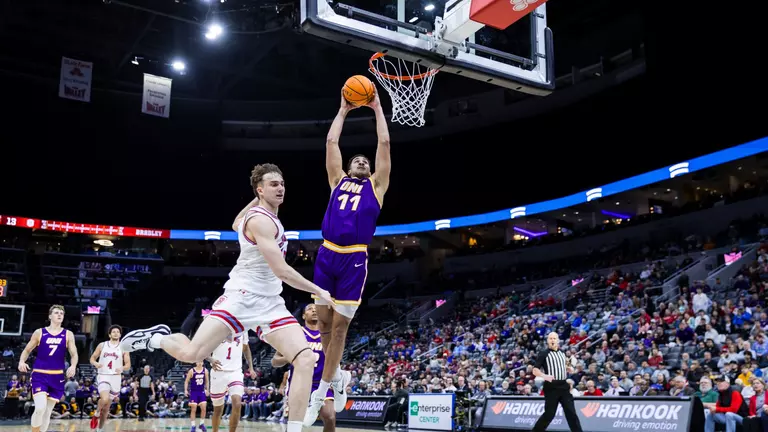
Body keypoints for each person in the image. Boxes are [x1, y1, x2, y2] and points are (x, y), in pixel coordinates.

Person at [120, 163, 335, 432]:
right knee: (191, 353)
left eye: (281, 183)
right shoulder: (259, 220)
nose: (280, 188)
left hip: (270, 303)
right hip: (241, 298)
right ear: (260, 190)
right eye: (273, 184)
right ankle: (157, 338)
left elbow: (235, 223)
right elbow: (281, 270)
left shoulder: (259, 216)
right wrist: (318, 290)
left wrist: (258, 196)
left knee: (305, 358)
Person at [305, 86, 392, 425]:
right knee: (324, 328)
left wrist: (376, 108)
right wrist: (342, 110)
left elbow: (383, 145)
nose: (361, 160)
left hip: (354, 258)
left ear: (371, 171)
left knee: (339, 331)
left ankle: (322, 390)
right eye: (357, 159)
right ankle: (339, 376)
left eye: (365, 161)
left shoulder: (377, 187)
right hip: (327, 254)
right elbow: (330, 145)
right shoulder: (337, 180)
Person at [273, 304, 335, 432]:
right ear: (303, 315)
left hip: (321, 383)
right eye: (309, 309)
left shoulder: (328, 334)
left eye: (316, 308)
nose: (314, 310)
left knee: (330, 416)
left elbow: (334, 360)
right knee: (295, 421)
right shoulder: (296, 334)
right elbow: (275, 361)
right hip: (299, 382)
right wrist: (293, 356)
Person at [18, 304, 78, 432]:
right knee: (40, 408)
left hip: (57, 376)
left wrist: (73, 366)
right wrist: (21, 361)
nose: (59, 315)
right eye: (56, 313)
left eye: (61, 313)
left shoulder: (68, 334)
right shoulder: (40, 332)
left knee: (47, 412)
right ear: (50, 316)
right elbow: (27, 349)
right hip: (40, 374)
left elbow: (74, 354)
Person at [531, 332, 584, 432]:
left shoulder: (562, 353)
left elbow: (563, 366)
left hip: (564, 386)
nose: (552, 340)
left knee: (571, 413)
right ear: (547, 341)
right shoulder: (543, 353)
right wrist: (545, 376)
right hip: (551, 387)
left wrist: (568, 369)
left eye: (554, 338)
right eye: (550, 338)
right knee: (549, 414)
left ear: (558, 340)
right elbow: (535, 370)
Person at [209, 332, 255, 432]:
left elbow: (246, 349)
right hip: (218, 372)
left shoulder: (243, 329)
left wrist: (251, 368)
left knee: (237, 404)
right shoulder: (217, 327)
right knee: (217, 409)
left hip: (235, 372)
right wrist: (211, 359)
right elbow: (203, 349)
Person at [89, 324, 131, 432]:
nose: (116, 333)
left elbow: (128, 364)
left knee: (107, 408)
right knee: (105, 398)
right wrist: (96, 363)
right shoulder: (102, 345)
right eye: (113, 332)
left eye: (118, 332)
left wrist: (122, 368)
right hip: (103, 375)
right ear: (109, 334)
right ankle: (97, 413)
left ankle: (100, 429)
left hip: (116, 378)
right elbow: (92, 358)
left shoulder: (124, 348)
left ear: (120, 334)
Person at [186, 362, 209, 432]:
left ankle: (201, 424)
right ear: (196, 363)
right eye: (198, 361)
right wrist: (185, 390)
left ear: (203, 363)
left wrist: (207, 390)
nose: (200, 363)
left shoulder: (205, 370)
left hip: (201, 391)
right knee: (193, 409)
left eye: (201, 361)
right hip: (194, 392)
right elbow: (186, 381)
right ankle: (193, 426)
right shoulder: (191, 371)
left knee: (204, 408)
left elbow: (207, 381)